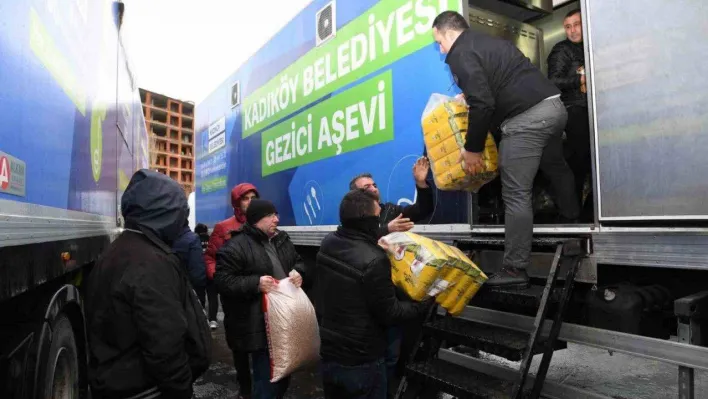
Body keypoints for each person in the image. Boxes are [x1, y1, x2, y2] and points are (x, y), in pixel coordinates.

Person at [432, 11, 579, 288]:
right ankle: (573, 222)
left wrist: (472, 149)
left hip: (527, 119)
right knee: (556, 165)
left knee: (515, 191)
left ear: (449, 33)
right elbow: (500, 82)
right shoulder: (487, 43)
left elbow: (483, 104)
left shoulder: (460, 53)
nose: (441, 49)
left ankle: (514, 269)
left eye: (439, 42)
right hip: (553, 108)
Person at [86, 169, 210, 399]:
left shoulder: (118, 250)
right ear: (166, 214)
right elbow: (164, 345)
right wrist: (182, 390)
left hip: (118, 382)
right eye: (180, 216)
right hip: (146, 390)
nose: (182, 224)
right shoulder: (151, 263)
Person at [315, 189, 431, 399]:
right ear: (367, 221)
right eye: (378, 217)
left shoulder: (328, 243)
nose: (380, 222)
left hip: (330, 353)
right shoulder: (375, 260)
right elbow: (391, 313)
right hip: (362, 360)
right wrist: (423, 303)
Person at [215, 199, 306, 399]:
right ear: (257, 220)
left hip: (286, 318)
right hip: (260, 323)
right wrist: (255, 283)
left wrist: (298, 272)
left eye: (276, 214)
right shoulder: (236, 246)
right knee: (267, 378)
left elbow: (299, 262)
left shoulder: (282, 239)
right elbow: (222, 281)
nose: (277, 219)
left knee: (284, 373)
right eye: (271, 215)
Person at [204, 183, 258, 397]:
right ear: (237, 202)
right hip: (234, 297)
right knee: (239, 343)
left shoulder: (262, 224)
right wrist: (219, 279)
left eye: (254, 197)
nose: (250, 202)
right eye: (246, 198)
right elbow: (210, 258)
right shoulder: (224, 227)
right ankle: (245, 387)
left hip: (257, 292)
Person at [548, 8, 592, 221]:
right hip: (574, 110)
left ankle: (587, 213)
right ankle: (574, 216)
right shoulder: (561, 50)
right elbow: (553, 81)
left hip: (594, 110)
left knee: (593, 164)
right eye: (568, 27)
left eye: (577, 24)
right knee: (580, 162)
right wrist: (579, 80)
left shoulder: (594, 44)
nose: (573, 30)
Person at [350, 156, 433, 238]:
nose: (374, 189)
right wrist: (387, 229)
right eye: (367, 187)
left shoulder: (390, 210)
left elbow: (423, 209)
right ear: (355, 194)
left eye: (375, 185)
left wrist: (421, 183)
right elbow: (360, 239)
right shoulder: (351, 217)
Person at [173, 218, 207, 298]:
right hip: (193, 286)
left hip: (175, 286)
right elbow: (197, 269)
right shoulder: (193, 239)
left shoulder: (168, 238)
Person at [195, 223, 220, 328]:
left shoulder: (194, 240)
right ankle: (213, 320)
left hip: (199, 272)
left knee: (200, 296)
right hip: (211, 271)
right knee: (213, 297)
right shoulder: (211, 239)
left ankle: (202, 319)